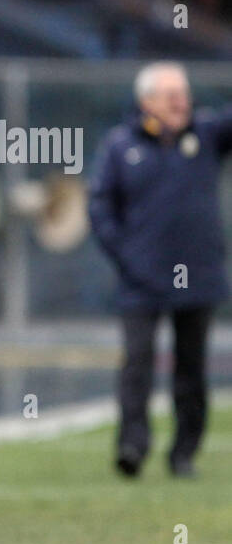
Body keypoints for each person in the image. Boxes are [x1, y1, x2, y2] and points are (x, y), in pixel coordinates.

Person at [88, 61, 230, 478]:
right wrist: (126, 256)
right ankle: (132, 446)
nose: (181, 102)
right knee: (137, 365)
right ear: (146, 101)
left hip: (198, 276)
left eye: (184, 94)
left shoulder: (205, 136)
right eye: (171, 95)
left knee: (191, 370)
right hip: (142, 280)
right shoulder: (120, 146)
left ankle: (184, 452)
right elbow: (100, 206)